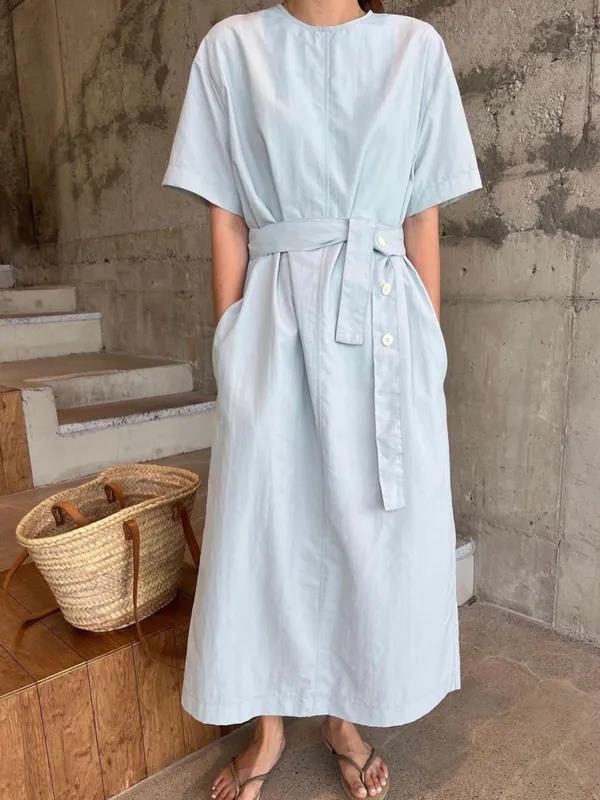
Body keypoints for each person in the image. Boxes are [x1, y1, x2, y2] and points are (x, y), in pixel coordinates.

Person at [162, 1, 482, 798]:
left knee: (366, 531)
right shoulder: (231, 50)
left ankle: (345, 716)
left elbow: (422, 217)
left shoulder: (415, 49)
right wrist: (232, 343)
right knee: (264, 528)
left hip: (385, 327)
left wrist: (428, 348)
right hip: (272, 325)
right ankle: (269, 727)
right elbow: (227, 217)